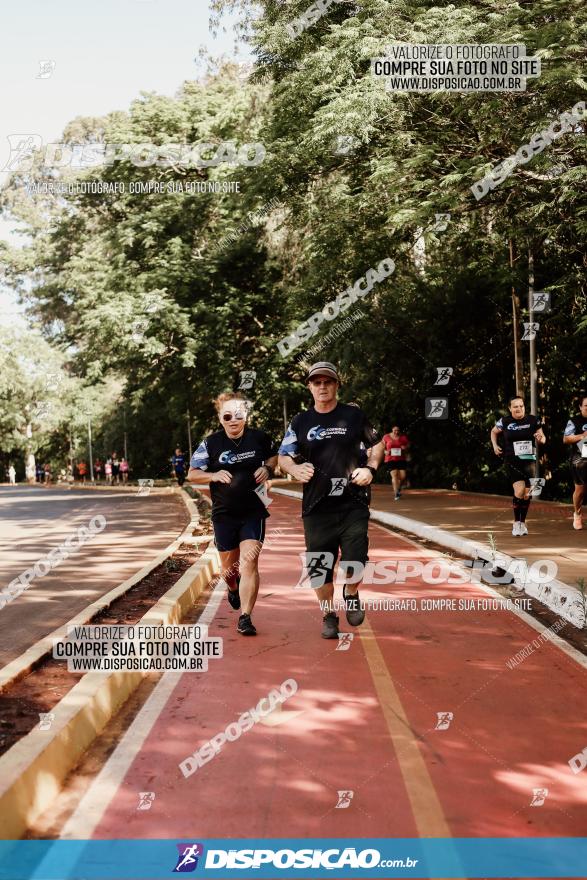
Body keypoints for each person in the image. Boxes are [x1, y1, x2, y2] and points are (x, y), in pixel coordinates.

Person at [278, 362, 384, 639]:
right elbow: (283, 456)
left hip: (353, 503)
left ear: (337, 385)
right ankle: (328, 614)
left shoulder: (353, 416)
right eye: (317, 382)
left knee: (355, 560)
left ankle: (351, 593)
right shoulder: (300, 422)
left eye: (328, 382)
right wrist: (293, 469)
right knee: (319, 568)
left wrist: (370, 469)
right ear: (310, 387)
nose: (322, 387)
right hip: (316, 507)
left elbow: (377, 444)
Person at [187, 392, 278, 636]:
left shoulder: (258, 438)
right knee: (229, 571)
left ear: (245, 415)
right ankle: (232, 587)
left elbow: (273, 454)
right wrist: (213, 475)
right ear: (220, 418)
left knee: (249, 563)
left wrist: (268, 468)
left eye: (238, 414)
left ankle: (246, 617)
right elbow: (192, 473)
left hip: (253, 511)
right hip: (224, 514)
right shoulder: (211, 444)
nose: (233, 419)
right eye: (228, 415)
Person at [490, 396, 546, 536]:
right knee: (519, 491)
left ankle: (522, 523)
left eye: (521, 406)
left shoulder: (533, 420)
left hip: (529, 461)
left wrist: (540, 439)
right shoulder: (505, 421)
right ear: (510, 408)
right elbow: (493, 432)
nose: (519, 408)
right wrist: (495, 446)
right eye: (515, 406)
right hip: (512, 460)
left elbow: (543, 438)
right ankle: (516, 523)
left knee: (527, 494)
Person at [563, 393, 587, 530]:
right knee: (581, 490)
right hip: (580, 458)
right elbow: (566, 439)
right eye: (586, 406)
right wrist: (582, 436)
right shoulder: (574, 421)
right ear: (580, 407)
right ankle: (577, 514)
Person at [382, 426, 410, 500]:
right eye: (395, 430)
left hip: (401, 459)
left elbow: (408, 445)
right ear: (392, 430)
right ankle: (396, 493)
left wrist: (405, 447)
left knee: (403, 476)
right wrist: (385, 451)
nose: (396, 432)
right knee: (394, 475)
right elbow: (382, 446)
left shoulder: (403, 437)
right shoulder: (386, 437)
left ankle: (399, 488)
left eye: (398, 430)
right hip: (390, 459)